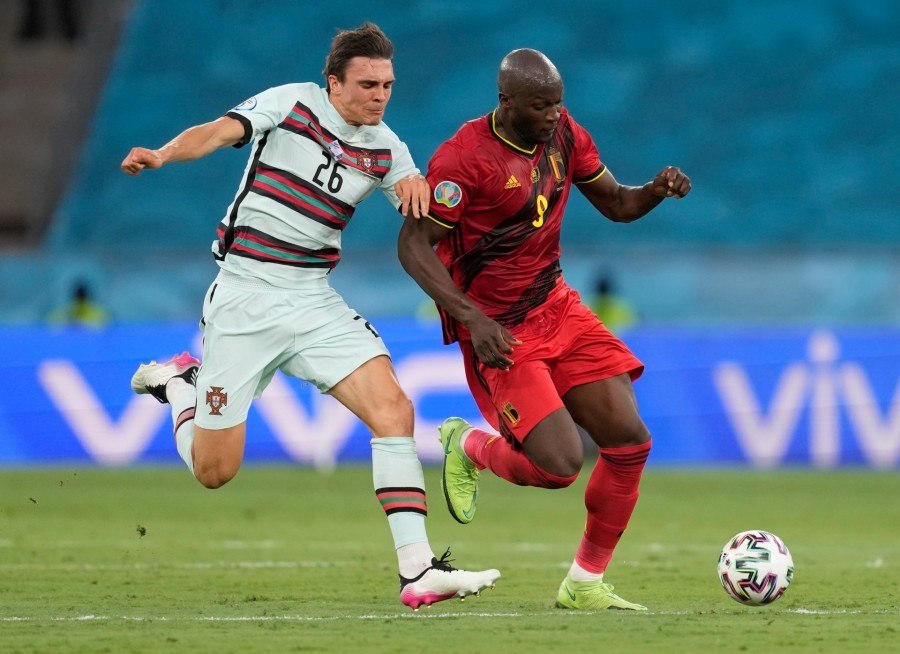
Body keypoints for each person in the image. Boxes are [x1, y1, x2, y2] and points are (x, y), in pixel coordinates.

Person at [120, 23, 498, 610]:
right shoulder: (291, 102)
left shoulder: (388, 148)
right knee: (215, 472)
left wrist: (425, 196)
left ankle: (417, 570)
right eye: (368, 84)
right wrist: (164, 154)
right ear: (334, 83)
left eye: (388, 85)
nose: (380, 95)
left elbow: (416, 207)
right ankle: (176, 383)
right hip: (244, 294)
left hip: (312, 299)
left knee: (394, 410)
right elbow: (219, 132)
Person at [398, 48, 691, 611]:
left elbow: (618, 206)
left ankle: (584, 584)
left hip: (558, 307)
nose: (555, 114)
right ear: (506, 103)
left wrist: (654, 190)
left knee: (630, 443)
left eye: (559, 102)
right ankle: (469, 445)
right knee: (559, 468)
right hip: (499, 331)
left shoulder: (565, 136)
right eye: (541, 106)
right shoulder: (463, 161)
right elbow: (412, 245)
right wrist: (473, 319)